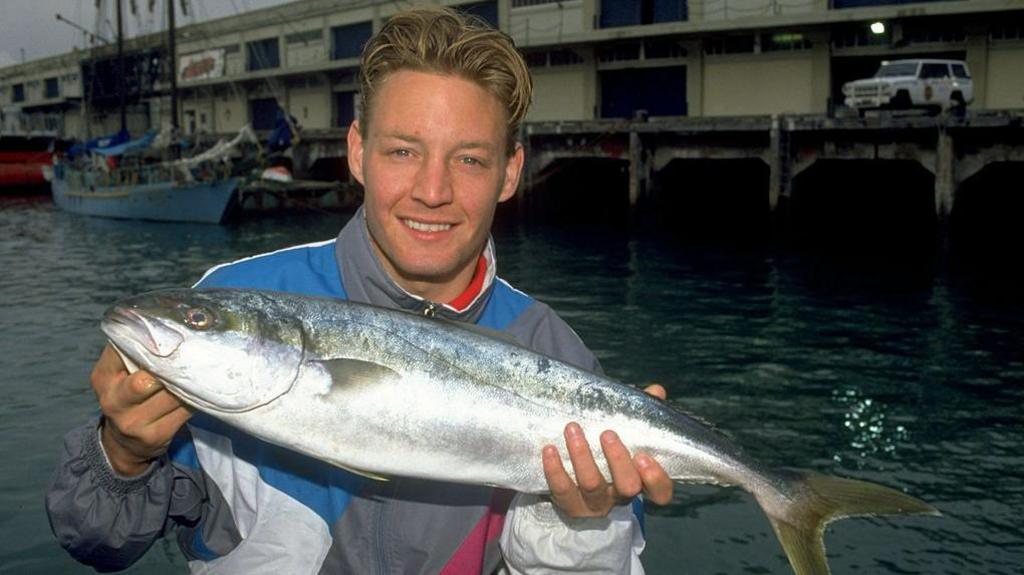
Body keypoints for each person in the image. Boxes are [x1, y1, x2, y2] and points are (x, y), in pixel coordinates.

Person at [46, 7, 673, 574]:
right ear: (357, 152)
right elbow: (97, 541)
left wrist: (582, 521)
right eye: (403, 151)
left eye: (470, 159)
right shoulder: (234, 296)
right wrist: (122, 453)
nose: (433, 190)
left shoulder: (554, 352)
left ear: (511, 172)